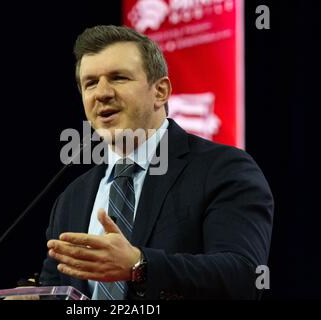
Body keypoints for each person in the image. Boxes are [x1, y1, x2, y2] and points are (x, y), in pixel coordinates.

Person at [40, 25, 274, 300]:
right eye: (90, 83)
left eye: (118, 78)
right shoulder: (72, 197)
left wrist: (140, 266)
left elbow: (244, 277)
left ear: (160, 91)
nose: (102, 93)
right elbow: (55, 286)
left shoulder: (223, 170)